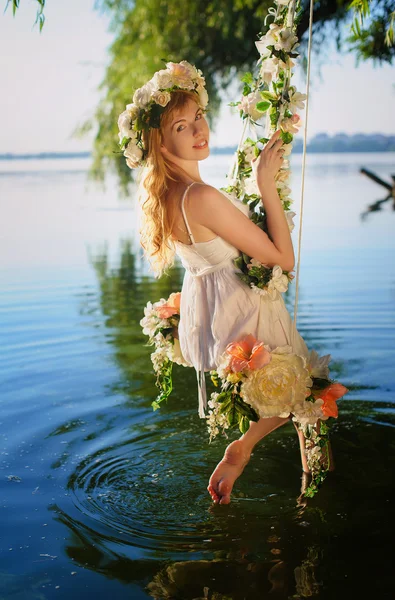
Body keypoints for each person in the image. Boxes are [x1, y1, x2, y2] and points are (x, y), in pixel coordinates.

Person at [120, 61, 333, 505]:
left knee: (304, 400)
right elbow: (283, 259)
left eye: (198, 115)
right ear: (161, 142)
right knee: (310, 401)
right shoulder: (201, 196)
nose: (199, 129)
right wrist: (265, 187)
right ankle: (315, 502)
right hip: (247, 307)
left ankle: (272, 469)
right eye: (182, 125)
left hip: (221, 308)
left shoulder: (173, 196)